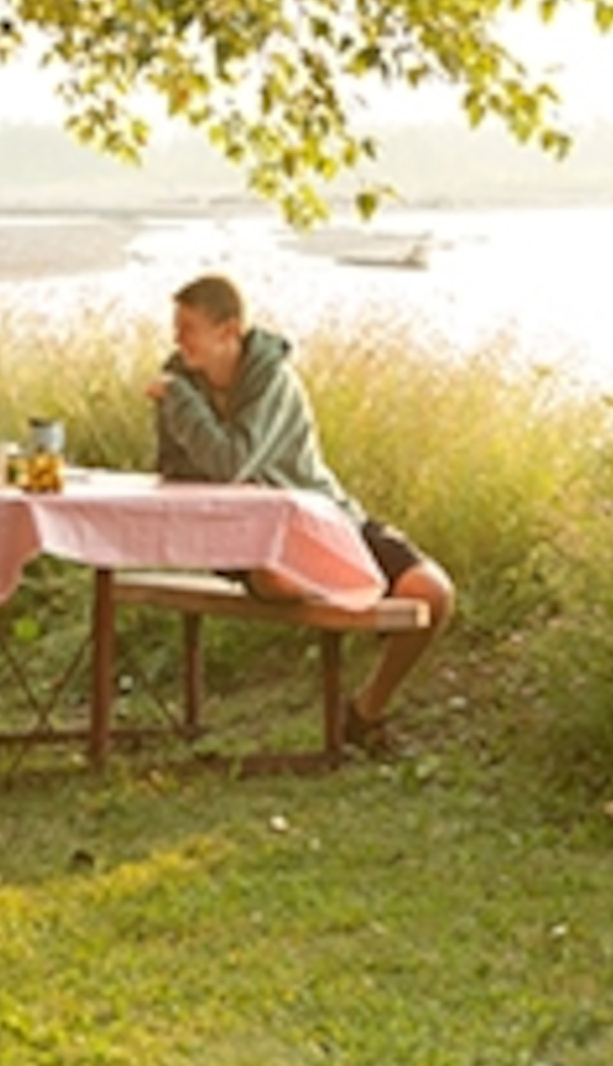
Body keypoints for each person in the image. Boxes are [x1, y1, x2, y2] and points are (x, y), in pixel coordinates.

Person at [144, 272, 456, 752]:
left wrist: (179, 402)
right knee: (275, 578)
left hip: (325, 518)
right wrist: (182, 405)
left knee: (432, 593)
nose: (176, 339)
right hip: (248, 536)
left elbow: (230, 460)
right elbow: (176, 469)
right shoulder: (181, 383)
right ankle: (353, 594)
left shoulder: (269, 380)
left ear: (228, 331)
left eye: (187, 328)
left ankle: (365, 711)